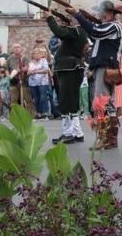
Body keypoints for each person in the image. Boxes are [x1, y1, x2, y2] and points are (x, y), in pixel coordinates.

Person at [67, 0, 122, 150]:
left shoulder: (113, 26)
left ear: (110, 13)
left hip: (106, 67)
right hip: (102, 67)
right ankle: (110, 139)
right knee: (107, 104)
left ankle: (103, 138)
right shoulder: (105, 26)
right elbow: (94, 34)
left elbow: (95, 32)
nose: (99, 14)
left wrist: (78, 15)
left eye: (101, 11)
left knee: (101, 103)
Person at [45, 11, 88, 144]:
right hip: (72, 68)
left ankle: (68, 133)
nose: (68, 19)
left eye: (71, 17)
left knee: (66, 101)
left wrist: (50, 18)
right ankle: (77, 132)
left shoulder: (76, 30)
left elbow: (58, 32)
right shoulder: (79, 31)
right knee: (72, 101)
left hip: (70, 68)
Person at [7, 44, 31, 115]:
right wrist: (9, 75)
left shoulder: (25, 58)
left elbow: (27, 67)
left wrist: (18, 70)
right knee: (13, 100)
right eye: (15, 47)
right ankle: (15, 115)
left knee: (27, 99)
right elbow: (6, 69)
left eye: (18, 47)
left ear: (21, 49)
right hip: (13, 82)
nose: (16, 49)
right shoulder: (10, 59)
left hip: (23, 81)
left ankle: (30, 115)